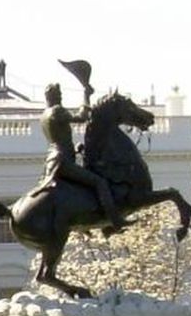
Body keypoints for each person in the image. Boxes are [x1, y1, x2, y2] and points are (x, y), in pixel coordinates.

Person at [37, 83, 125, 228]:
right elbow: (82, 117)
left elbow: (59, 139)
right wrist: (86, 95)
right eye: (59, 95)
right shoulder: (57, 111)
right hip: (64, 160)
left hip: (53, 159)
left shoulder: (44, 115)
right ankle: (114, 222)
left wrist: (76, 149)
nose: (61, 97)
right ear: (55, 96)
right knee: (100, 182)